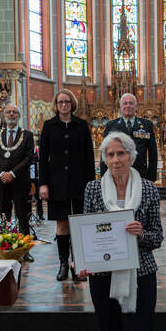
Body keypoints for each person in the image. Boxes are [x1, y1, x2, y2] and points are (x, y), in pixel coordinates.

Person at [77, 131, 163, 331]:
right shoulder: (93, 188)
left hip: (141, 274)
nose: (115, 160)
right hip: (102, 275)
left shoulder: (149, 189)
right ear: (104, 159)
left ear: (131, 156)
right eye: (110, 155)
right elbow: (86, 231)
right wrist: (82, 259)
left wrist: (141, 233)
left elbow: (157, 237)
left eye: (121, 154)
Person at [39, 89, 95, 281]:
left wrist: (91, 185)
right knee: (62, 225)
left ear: (72, 104)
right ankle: (63, 264)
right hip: (56, 183)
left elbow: (89, 157)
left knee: (78, 225)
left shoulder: (81, 125)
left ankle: (77, 264)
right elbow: (42, 158)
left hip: (79, 183)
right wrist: (43, 184)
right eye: (60, 102)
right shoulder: (49, 126)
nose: (64, 105)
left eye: (67, 101)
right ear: (56, 105)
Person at [0, 103, 36, 262]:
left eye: (14, 112)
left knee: (23, 216)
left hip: (20, 182)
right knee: (4, 216)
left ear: (19, 115)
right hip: (1, 182)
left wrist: (12, 174)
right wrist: (2, 174)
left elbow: (29, 158)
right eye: (8, 112)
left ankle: (25, 250)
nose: (11, 114)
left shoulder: (27, 135)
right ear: (4, 115)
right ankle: (4, 249)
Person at [100, 93, 158, 181]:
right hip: (116, 174)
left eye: (131, 103)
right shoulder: (111, 125)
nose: (128, 106)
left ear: (136, 106)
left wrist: (151, 178)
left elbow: (153, 153)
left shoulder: (147, 125)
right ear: (120, 107)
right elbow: (104, 152)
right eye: (125, 103)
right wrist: (104, 177)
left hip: (140, 174)